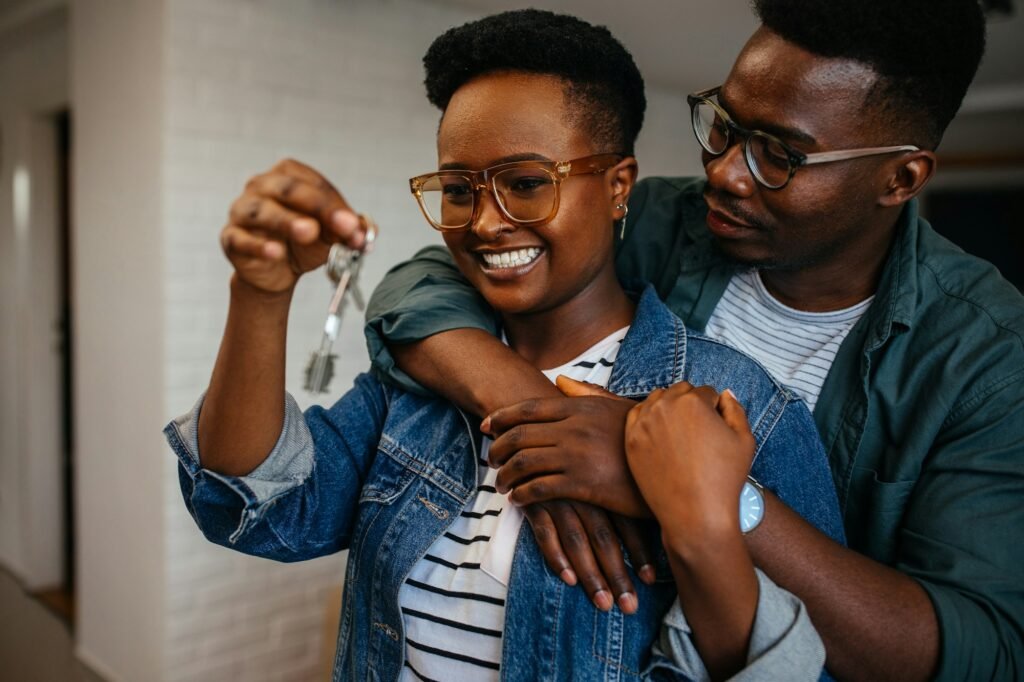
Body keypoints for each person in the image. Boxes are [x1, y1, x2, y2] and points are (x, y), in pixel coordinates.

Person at [165, 9, 848, 681]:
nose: (486, 223)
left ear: (617, 188)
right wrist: (260, 295)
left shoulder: (743, 408)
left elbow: (802, 664)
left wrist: (698, 516)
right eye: (459, 190)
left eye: (526, 184)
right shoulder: (415, 386)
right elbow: (259, 507)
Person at [357, 1, 1024, 681]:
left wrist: (703, 495)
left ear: (901, 178)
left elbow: (978, 653)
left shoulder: (988, 357)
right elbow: (421, 284)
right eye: (724, 125)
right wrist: (537, 413)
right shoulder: (656, 224)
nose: (725, 172)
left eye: (779, 156)